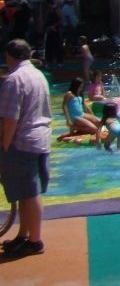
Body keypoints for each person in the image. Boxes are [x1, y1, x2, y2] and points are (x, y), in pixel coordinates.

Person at [0, 38, 52, 258]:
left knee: (30, 193)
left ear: (9, 56)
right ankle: (24, 235)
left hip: (21, 142)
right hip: (40, 140)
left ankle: (35, 240)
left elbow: (10, 119)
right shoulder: (38, 75)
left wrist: (3, 145)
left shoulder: (14, 79)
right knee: (26, 192)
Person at [43, 0, 63, 68]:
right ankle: (49, 61)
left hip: (56, 31)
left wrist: (53, 26)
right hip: (49, 31)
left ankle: (59, 62)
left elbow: (61, 20)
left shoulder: (56, 9)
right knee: (48, 46)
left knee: (58, 46)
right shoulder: (48, 11)